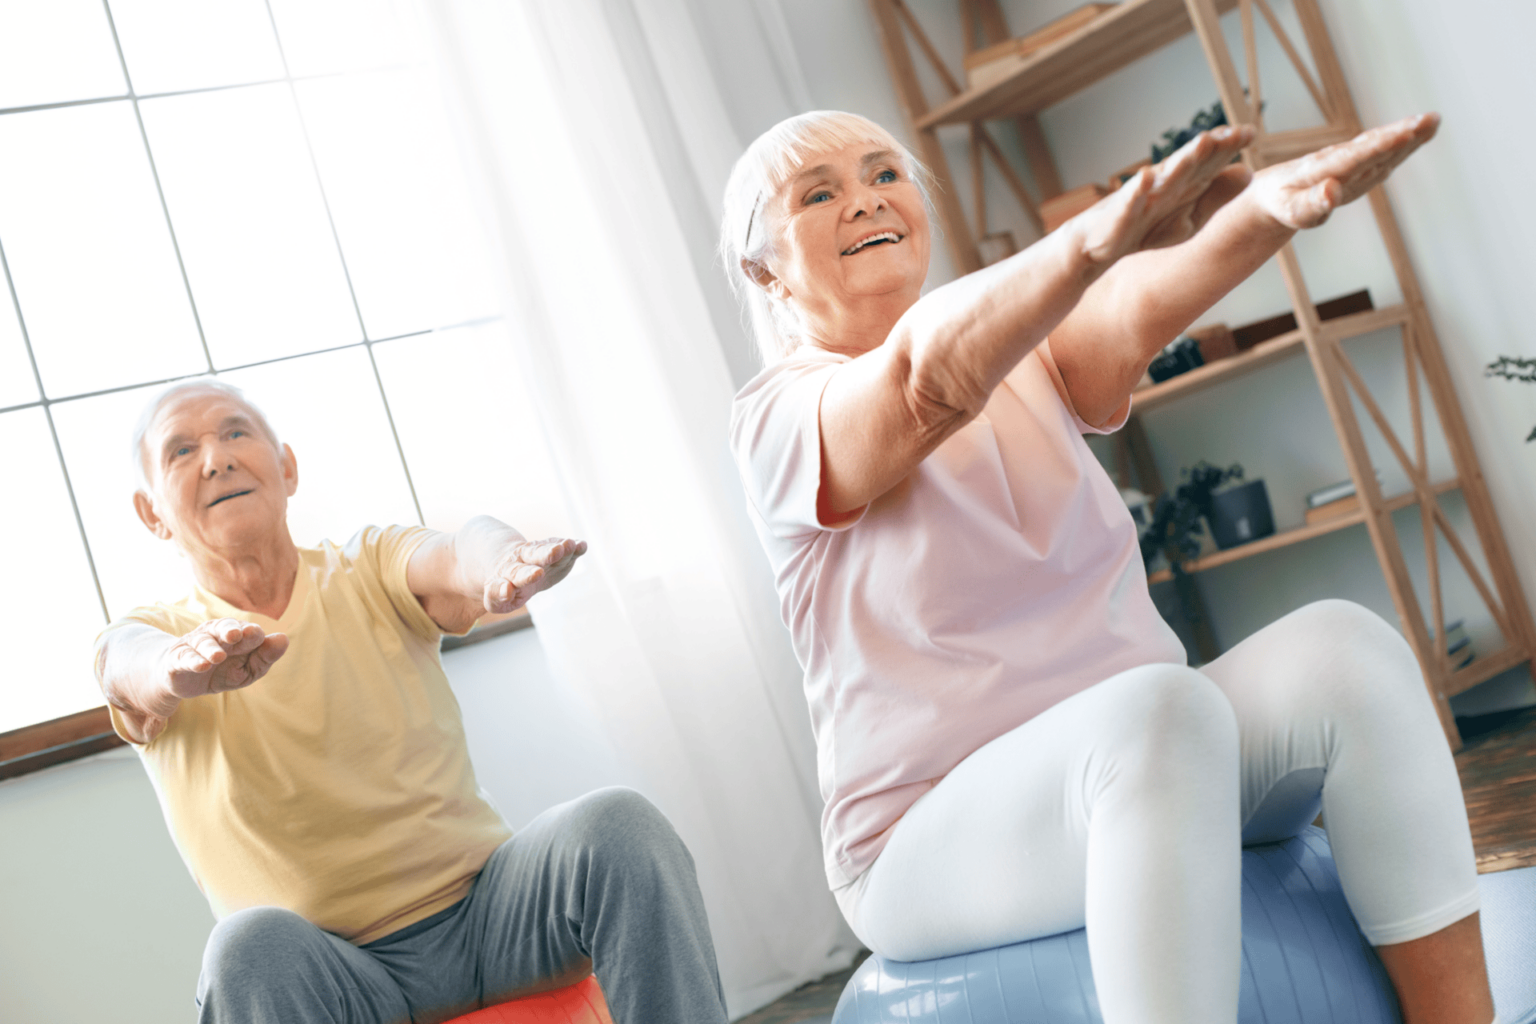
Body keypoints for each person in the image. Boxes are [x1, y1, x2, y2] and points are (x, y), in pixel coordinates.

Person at [723, 110, 1496, 1023]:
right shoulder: (778, 421)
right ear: (765, 268)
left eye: (883, 174)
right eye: (820, 194)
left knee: (1349, 653)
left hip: (1155, 762)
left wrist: (1267, 215)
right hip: (924, 840)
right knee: (1157, 714)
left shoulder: (1017, 343)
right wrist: (1094, 240)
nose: (865, 200)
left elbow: (1129, 308)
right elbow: (922, 385)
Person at [94, 379, 729, 1024]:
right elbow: (127, 666)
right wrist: (176, 669)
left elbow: (458, 551)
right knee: (245, 948)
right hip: (342, 977)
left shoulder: (365, 567)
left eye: (235, 433)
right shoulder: (160, 637)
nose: (217, 458)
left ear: (286, 467)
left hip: (493, 920)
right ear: (152, 514)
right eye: (181, 451)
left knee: (619, 824)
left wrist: (502, 558)